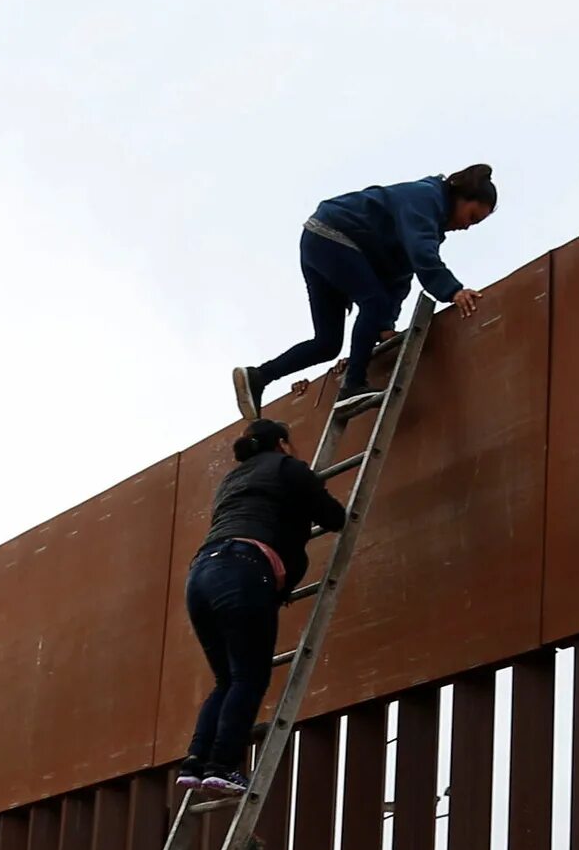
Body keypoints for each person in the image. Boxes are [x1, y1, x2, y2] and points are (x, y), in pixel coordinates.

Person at [231, 165, 498, 418]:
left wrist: (384, 326)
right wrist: (454, 291)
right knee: (373, 302)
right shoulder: (425, 199)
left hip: (320, 243)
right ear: (460, 197)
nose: (466, 226)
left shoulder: (428, 220)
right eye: (471, 217)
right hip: (332, 235)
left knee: (327, 343)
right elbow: (421, 254)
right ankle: (353, 385)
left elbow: (399, 278)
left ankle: (258, 377)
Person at [173, 419, 347, 801]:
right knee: (249, 678)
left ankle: (195, 763)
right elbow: (333, 518)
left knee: (227, 679)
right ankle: (222, 767)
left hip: (201, 574)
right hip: (244, 569)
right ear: (282, 443)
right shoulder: (287, 467)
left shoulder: (232, 481)